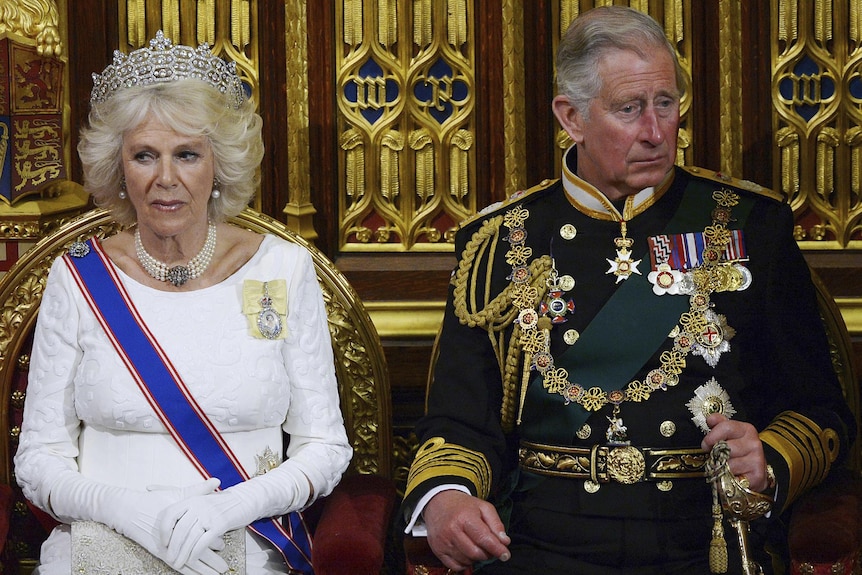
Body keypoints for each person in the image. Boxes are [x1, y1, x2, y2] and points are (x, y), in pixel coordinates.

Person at [401, 6, 856, 574]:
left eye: (665, 103)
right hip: (541, 550)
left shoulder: (748, 227)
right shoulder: (500, 244)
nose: (656, 130)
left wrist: (770, 460)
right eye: (629, 108)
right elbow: (458, 423)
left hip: (701, 545)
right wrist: (446, 498)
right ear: (571, 117)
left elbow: (820, 411)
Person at [14, 31, 352, 575]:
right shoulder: (77, 278)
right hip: (99, 543)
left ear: (219, 164)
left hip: (245, 538)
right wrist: (126, 513)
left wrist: (233, 507)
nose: (165, 180)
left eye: (187, 154)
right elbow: (37, 461)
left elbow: (325, 447)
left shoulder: (283, 269)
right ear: (119, 168)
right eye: (144, 155)